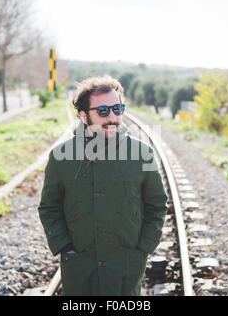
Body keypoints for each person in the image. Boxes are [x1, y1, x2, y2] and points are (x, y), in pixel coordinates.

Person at [38, 75, 168, 296]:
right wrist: (65, 248)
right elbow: (49, 208)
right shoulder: (61, 157)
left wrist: (143, 249)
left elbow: (157, 205)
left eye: (117, 109)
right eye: (103, 111)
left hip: (125, 266)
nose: (113, 117)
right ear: (83, 116)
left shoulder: (142, 154)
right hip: (80, 268)